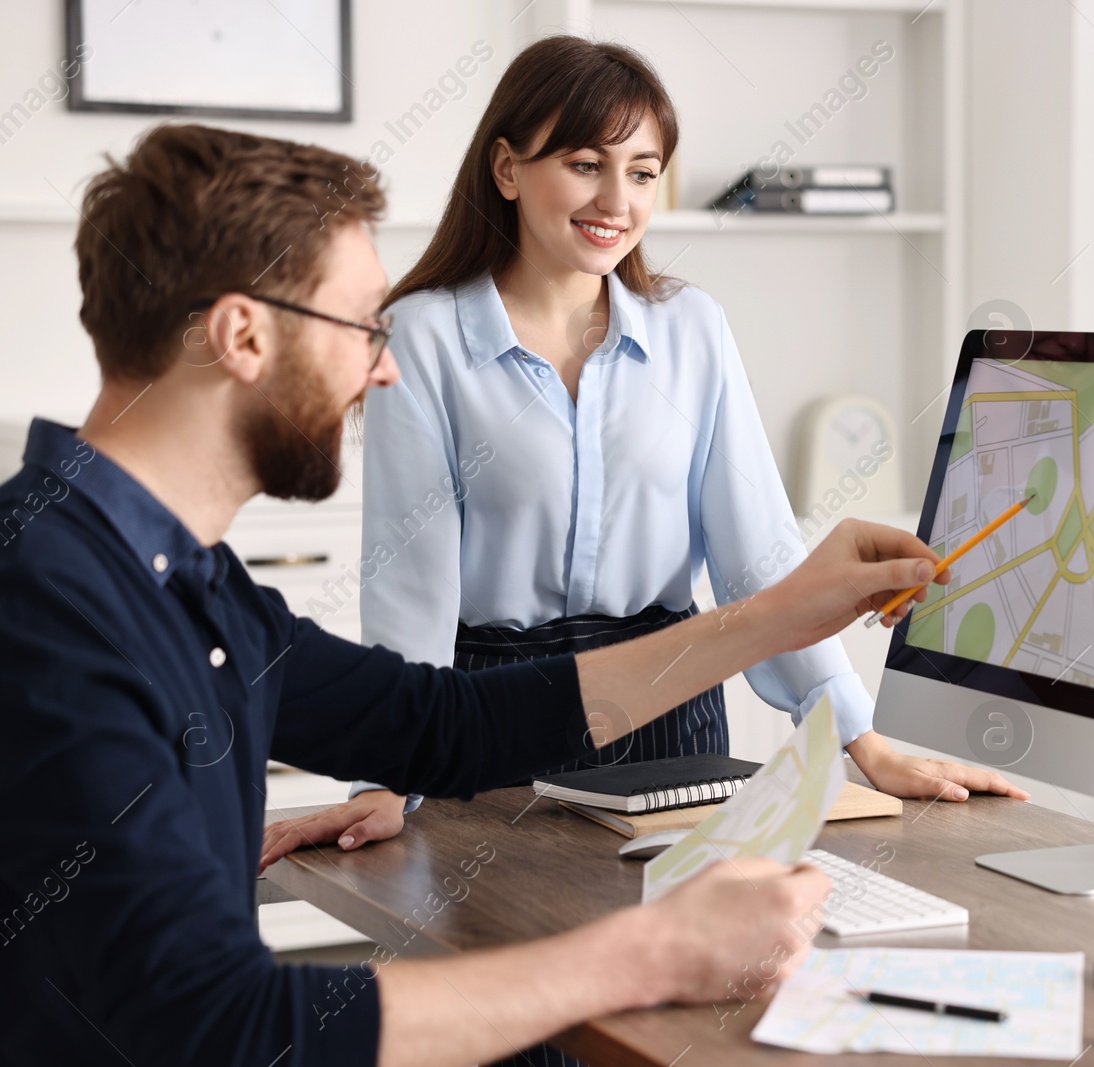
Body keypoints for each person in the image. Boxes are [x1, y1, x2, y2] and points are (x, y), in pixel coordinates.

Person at [0, 122, 965, 1067]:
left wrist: (771, 618)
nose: (383, 365)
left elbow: (442, 722)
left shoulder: (184, 581)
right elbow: (218, 1023)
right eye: (361, 327)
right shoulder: (48, 610)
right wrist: (654, 950)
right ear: (241, 336)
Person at [269, 35, 1024, 861]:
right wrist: (384, 776)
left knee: (675, 967)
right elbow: (408, 585)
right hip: (493, 719)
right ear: (508, 168)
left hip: (672, 700)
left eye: (641, 171)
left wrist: (861, 739)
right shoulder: (425, 335)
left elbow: (758, 556)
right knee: (505, 952)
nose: (616, 200)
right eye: (586, 163)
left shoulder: (690, 328)